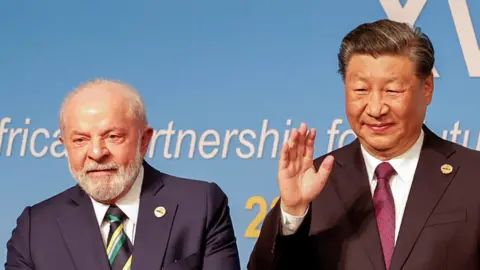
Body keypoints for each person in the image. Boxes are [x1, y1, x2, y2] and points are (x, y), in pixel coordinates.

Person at [248, 19, 480, 270]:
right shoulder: (316, 182)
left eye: (392, 91)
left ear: (427, 89)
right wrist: (293, 212)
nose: (376, 108)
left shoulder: (473, 176)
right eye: (360, 90)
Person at [5, 79, 241, 270]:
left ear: (144, 140)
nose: (96, 153)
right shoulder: (35, 229)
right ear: (64, 145)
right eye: (80, 140)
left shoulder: (200, 205)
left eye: (113, 136)